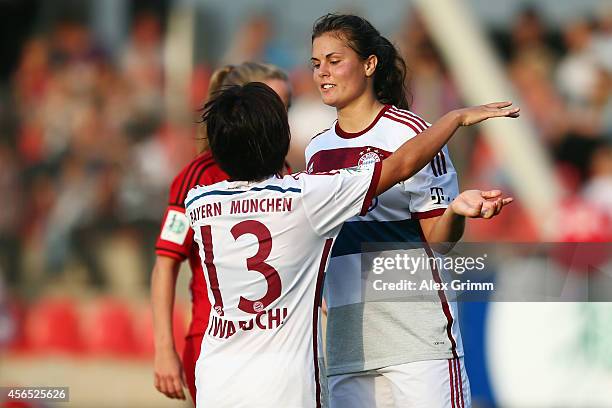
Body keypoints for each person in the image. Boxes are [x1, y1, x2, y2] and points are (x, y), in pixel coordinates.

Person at [187, 81, 517, 407]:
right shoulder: (306, 198)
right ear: (281, 138)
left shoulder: (198, 203)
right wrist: (453, 119)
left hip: (218, 377)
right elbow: (400, 165)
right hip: (284, 381)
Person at [306, 13, 514, 408]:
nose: (322, 73)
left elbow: (439, 241)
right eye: (316, 64)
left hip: (417, 335)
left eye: (334, 60)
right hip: (349, 343)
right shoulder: (315, 150)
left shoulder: (412, 132)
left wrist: (456, 210)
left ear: (369, 64)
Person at [151, 62, 291, 403]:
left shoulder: (286, 175)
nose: (280, 117)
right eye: (273, 104)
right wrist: (164, 350)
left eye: (286, 108)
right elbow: (165, 264)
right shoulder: (198, 178)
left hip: (276, 349)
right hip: (213, 343)